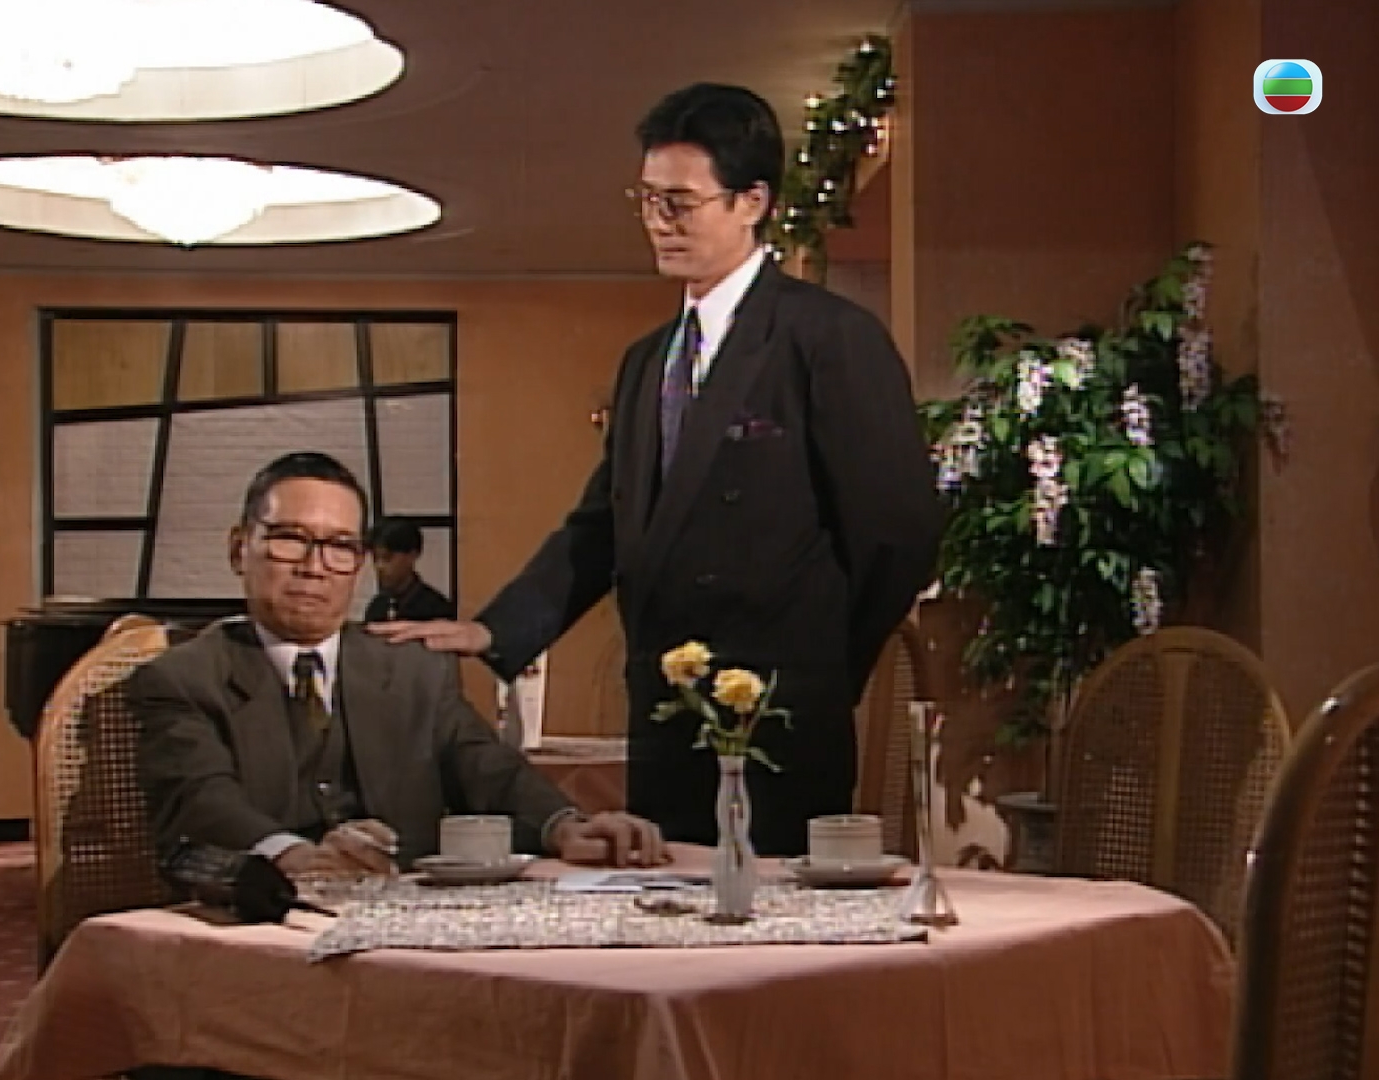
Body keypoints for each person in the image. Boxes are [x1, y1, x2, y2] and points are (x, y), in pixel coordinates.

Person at [372, 83, 943, 855]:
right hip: (663, 712)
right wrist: (495, 628)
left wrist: (820, 669)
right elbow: (602, 526)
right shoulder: (648, 361)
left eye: (680, 202)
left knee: (772, 917)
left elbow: (899, 534)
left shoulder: (827, 337)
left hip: (778, 720)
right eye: (646, 200)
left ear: (751, 202)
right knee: (662, 898)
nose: (657, 222)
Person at [129, 451, 666, 878]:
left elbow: (486, 766)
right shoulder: (183, 678)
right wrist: (294, 856)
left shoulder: (413, 670)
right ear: (238, 549)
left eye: (340, 546)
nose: (315, 567)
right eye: (290, 539)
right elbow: (200, 798)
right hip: (262, 923)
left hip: (408, 920)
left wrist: (565, 826)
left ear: (359, 564)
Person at [364, 516, 456, 624]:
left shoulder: (437, 610)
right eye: (375, 558)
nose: (379, 566)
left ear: (412, 555)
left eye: (387, 558)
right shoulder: (377, 607)